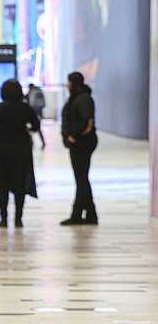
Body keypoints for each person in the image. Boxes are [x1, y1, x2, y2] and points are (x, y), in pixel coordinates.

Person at [0, 80, 40, 228]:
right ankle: (18, 218)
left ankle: (3, 218)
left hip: (1, 151)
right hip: (21, 151)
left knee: (3, 186)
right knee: (19, 186)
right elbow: (36, 125)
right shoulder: (25, 108)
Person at [60, 71, 99, 225]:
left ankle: (78, 214)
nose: (67, 85)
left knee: (81, 178)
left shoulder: (83, 99)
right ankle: (90, 214)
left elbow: (87, 123)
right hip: (77, 143)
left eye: (69, 82)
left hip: (82, 143)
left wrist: (73, 135)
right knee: (82, 178)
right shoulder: (77, 98)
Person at [25, 83, 47, 149]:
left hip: (37, 114)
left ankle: (41, 142)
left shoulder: (37, 93)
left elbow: (41, 104)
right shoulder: (31, 93)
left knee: (37, 128)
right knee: (33, 128)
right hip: (33, 114)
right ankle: (32, 142)